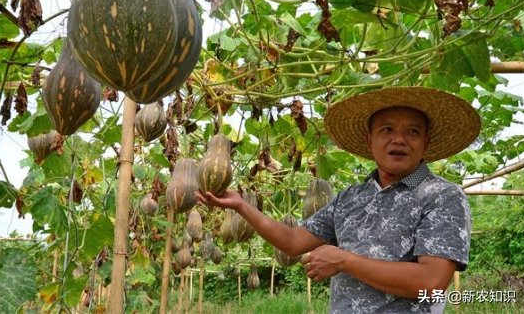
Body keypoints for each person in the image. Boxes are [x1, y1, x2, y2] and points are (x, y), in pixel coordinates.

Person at [196, 86, 481, 313]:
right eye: (387, 130)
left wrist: (344, 261)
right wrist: (242, 206)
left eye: (412, 132)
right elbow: (294, 241)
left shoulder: (442, 196)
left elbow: (431, 283)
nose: (399, 139)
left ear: (426, 143)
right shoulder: (350, 198)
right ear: (369, 142)